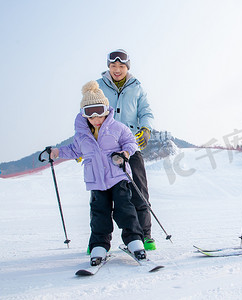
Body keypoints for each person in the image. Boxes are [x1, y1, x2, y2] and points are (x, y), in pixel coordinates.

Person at [50, 81, 146, 265]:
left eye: (99, 112)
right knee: (99, 213)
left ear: (106, 109)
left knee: (125, 209)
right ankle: (99, 246)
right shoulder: (82, 135)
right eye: (89, 113)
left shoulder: (117, 127)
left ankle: (134, 241)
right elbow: (74, 150)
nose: (95, 118)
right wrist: (57, 152)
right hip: (96, 181)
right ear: (83, 114)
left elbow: (131, 143)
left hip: (118, 177)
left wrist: (125, 153)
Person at [96, 49, 155, 251]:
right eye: (113, 66)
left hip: (131, 145)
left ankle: (145, 235)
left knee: (139, 191)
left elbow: (145, 111)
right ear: (108, 67)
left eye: (121, 66)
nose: (117, 70)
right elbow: (88, 114)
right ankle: (100, 241)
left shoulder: (136, 87)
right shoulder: (98, 87)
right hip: (105, 149)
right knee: (103, 195)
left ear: (127, 67)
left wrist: (146, 128)